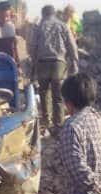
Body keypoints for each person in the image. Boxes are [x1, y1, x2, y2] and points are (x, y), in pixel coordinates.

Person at [30, 5, 79, 135]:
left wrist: (33, 66)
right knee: (58, 96)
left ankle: (46, 123)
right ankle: (59, 126)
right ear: (54, 13)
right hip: (59, 63)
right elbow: (72, 46)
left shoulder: (39, 27)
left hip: (42, 64)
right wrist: (74, 63)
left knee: (44, 92)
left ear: (43, 14)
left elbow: (32, 46)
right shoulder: (63, 25)